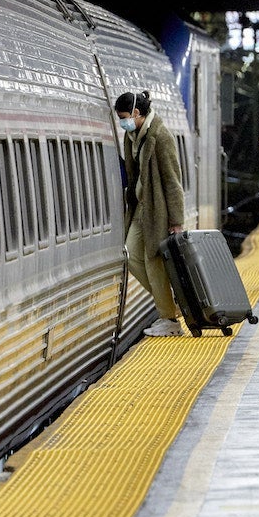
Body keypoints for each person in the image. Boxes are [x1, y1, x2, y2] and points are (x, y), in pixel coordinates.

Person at [115, 89, 187, 337]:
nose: (122, 122)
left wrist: (176, 221)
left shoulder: (160, 136)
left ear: (136, 113)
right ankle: (169, 304)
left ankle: (169, 319)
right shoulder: (132, 136)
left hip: (157, 209)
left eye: (124, 117)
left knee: (153, 261)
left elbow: (172, 181)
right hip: (139, 208)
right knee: (132, 255)